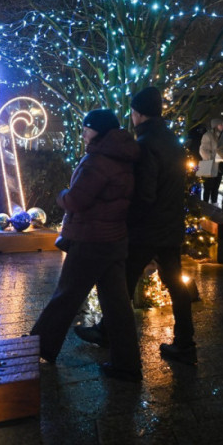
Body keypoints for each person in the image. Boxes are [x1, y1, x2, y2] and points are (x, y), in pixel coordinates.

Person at [75, 87, 197, 365]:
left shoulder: (144, 143)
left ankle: (108, 334)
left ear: (137, 113)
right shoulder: (171, 140)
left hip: (147, 228)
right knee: (176, 284)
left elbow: (144, 192)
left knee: (122, 285)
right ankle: (185, 342)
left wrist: (129, 220)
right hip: (170, 225)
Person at [30, 109, 143, 382]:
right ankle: (126, 364)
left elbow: (77, 200)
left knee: (66, 295)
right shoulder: (124, 157)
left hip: (91, 240)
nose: (83, 133)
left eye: (87, 128)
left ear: (99, 131)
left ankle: (38, 347)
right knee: (117, 306)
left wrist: (61, 196)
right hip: (114, 239)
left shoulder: (98, 160)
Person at [199, 118, 223, 205]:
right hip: (209, 165)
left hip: (219, 166)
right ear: (215, 126)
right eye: (221, 124)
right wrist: (214, 157)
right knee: (208, 188)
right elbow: (203, 150)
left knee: (216, 188)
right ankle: (205, 207)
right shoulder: (208, 135)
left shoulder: (222, 136)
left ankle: (215, 205)